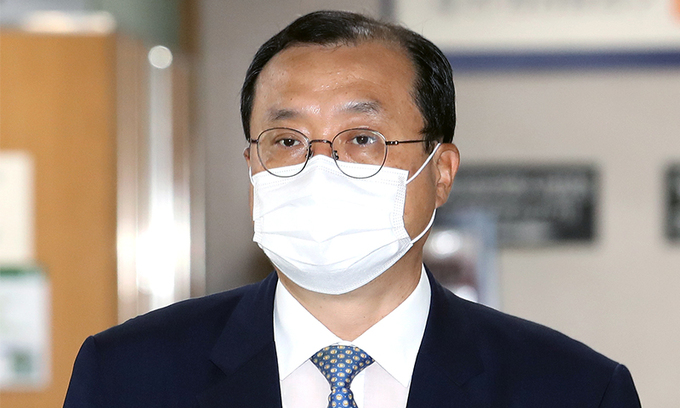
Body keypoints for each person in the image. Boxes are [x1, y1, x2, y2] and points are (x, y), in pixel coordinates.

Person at [64, 10, 641, 408]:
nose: (319, 167)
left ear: (440, 172)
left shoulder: (573, 390)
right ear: (251, 166)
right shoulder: (126, 375)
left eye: (362, 138)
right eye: (287, 141)